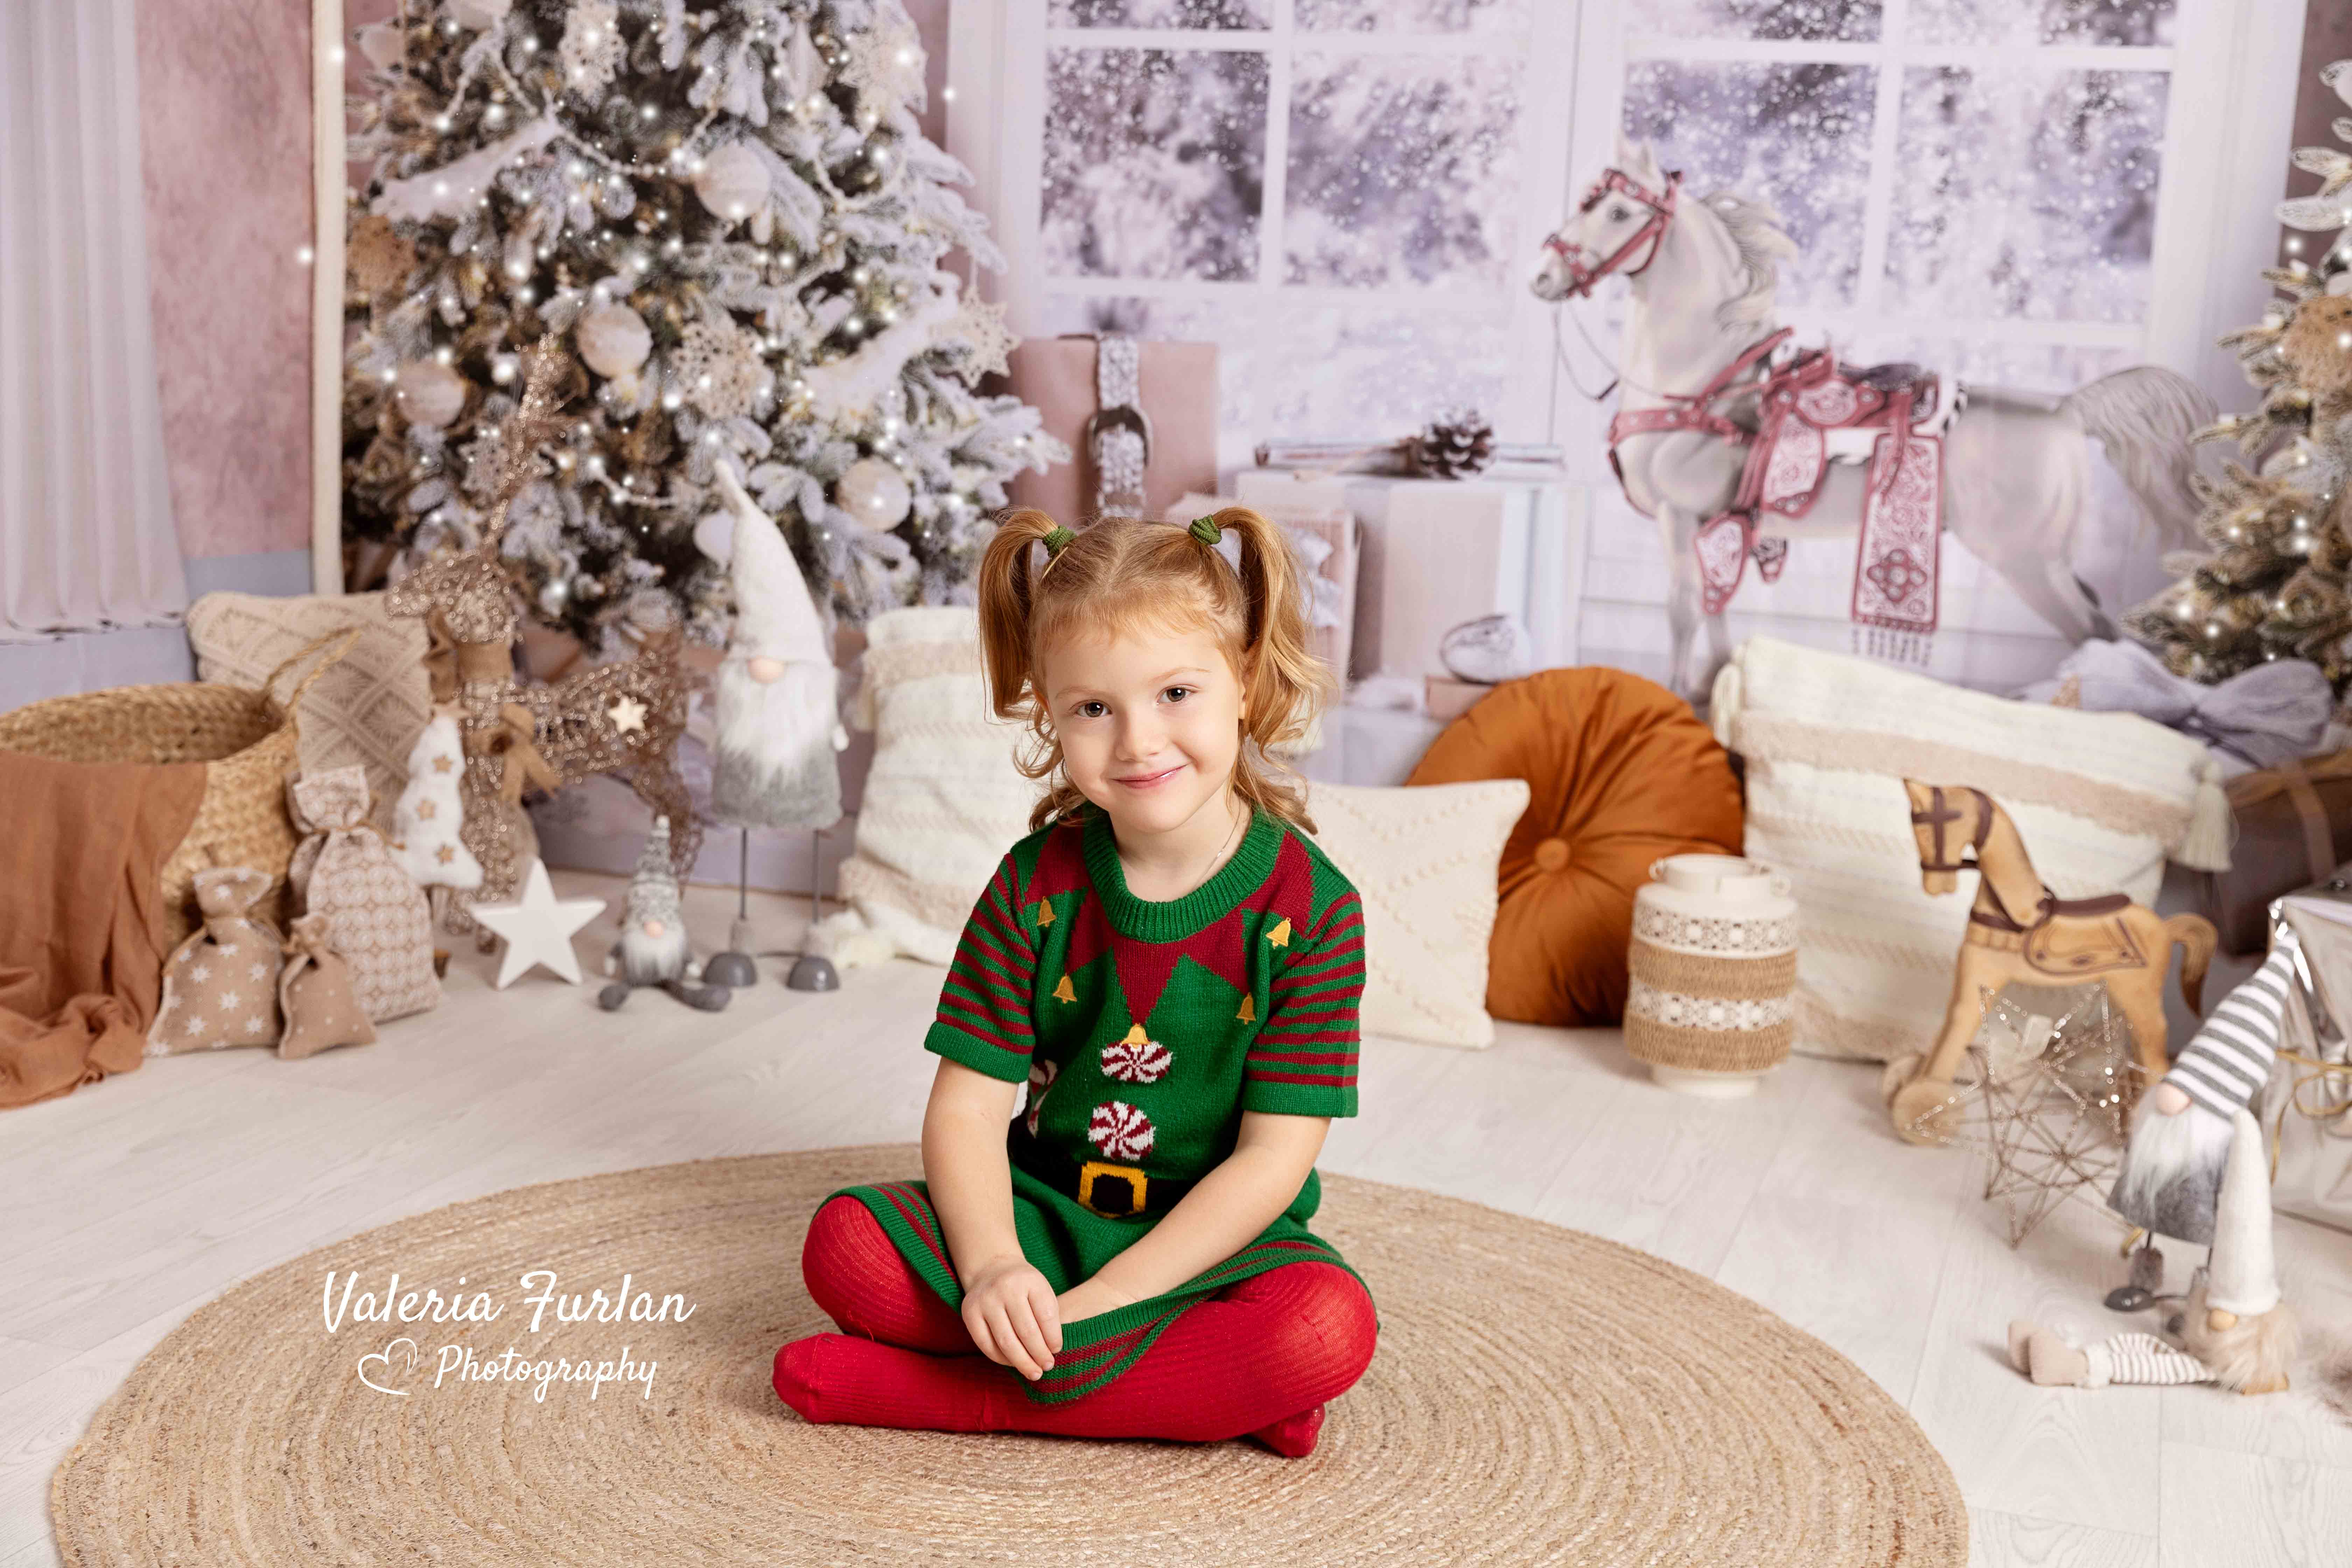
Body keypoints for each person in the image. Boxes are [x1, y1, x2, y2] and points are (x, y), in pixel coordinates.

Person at [771, 507, 1378, 1457]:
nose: (1138, 742)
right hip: (1043, 1214)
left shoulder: (1315, 909)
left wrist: (1096, 1310)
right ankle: (1204, 1394)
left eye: (1177, 691)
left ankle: (966, 1399)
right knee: (846, 1245)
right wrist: (994, 1269)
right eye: (1094, 708)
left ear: (1246, 683)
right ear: (1050, 713)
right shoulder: (1032, 885)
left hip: (1212, 1251)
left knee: (1323, 1330)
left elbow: (1271, 1164)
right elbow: (968, 1112)